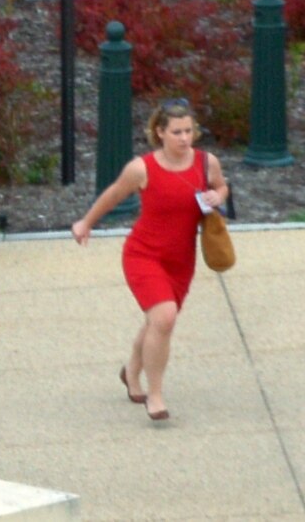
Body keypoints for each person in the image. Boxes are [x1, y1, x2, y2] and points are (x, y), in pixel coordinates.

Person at [71, 98, 228, 422]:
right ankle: (154, 396)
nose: (184, 138)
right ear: (160, 132)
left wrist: (219, 196)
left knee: (157, 321)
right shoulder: (142, 168)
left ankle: (131, 372)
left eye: (189, 131)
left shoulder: (205, 162)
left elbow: (222, 187)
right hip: (143, 254)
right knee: (165, 317)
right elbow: (114, 194)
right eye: (176, 132)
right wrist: (85, 223)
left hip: (181, 259)